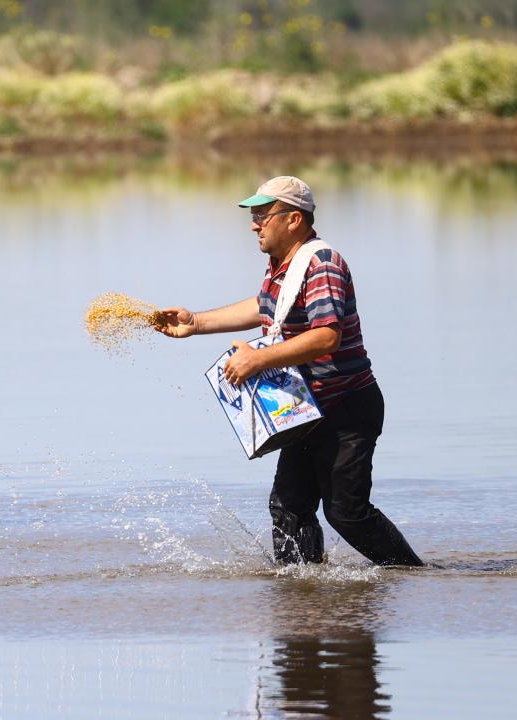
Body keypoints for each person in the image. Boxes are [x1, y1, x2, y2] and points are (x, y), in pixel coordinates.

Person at [154, 176, 422, 567]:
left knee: (346, 513)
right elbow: (264, 307)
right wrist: (196, 322)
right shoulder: (284, 266)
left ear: (294, 219)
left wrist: (258, 359)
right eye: (253, 215)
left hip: (346, 408)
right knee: (288, 508)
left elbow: (327, 336)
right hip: (306, 407)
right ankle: (302, 594)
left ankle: (413, 576)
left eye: (263, 214)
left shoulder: (322, 263)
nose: (254, 224)